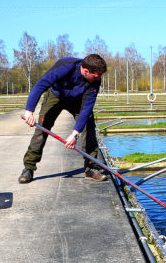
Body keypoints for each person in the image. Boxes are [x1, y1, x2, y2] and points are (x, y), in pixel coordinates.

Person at [18, 54, 108, 183]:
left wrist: (75, 134)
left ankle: (91, 168)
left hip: (78, 101)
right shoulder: (65, 66)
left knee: (88, 125)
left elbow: (87, 108)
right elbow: (40, 85)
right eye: (96, 75)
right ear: (86, 71)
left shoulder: (95, 80)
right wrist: (29, 111)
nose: (99, 78)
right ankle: (28, 168)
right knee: (42, 129)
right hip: (56, 96)